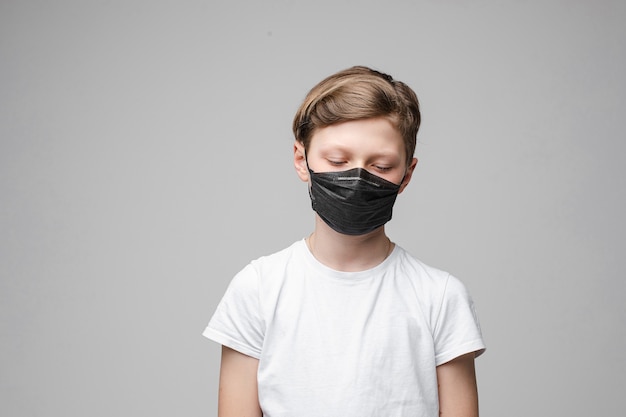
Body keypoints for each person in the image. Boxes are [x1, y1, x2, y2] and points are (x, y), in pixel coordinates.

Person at [203, 66, 485, 417]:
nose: (356, 178)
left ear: (407, 174)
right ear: (300, 159)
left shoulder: (440, 297)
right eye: (337, 161)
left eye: (381, 166)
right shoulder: (258, 288)